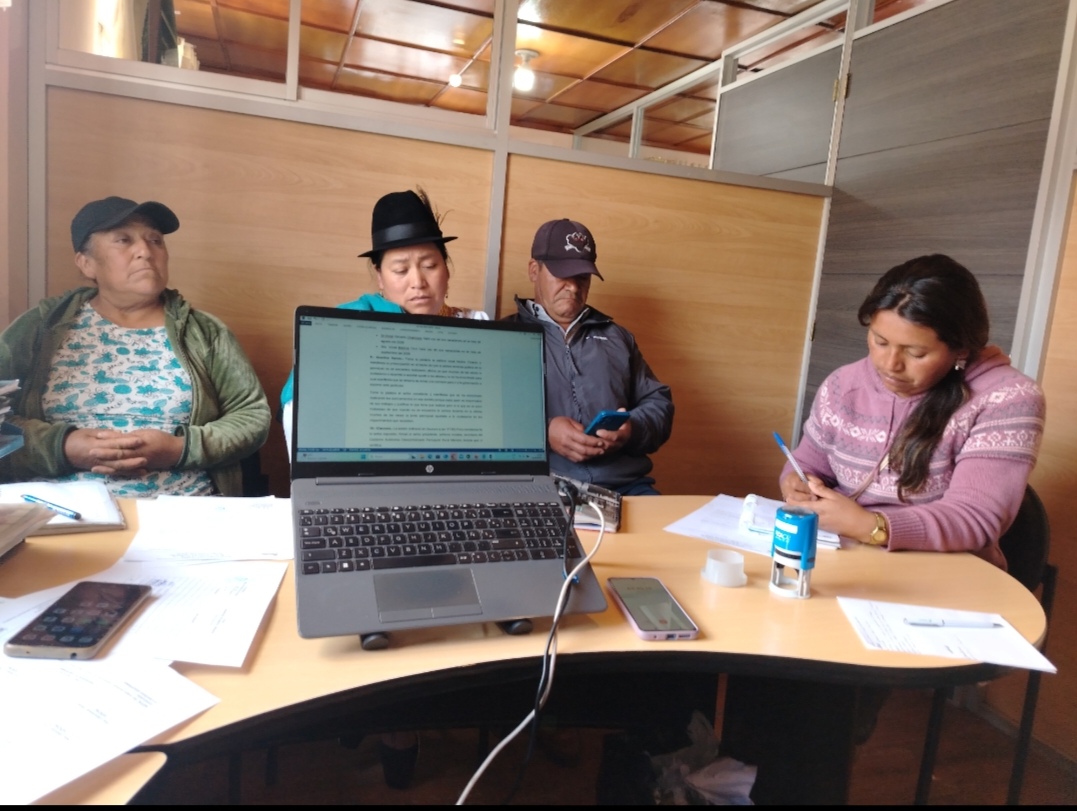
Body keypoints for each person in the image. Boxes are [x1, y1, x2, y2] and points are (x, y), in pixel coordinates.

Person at [781, 254, 1046, 570]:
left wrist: (871, 526)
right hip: (845, 560)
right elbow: (807, 464)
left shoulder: (1006, 398)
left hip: (944, 574)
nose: (889, 364)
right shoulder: (843, 384)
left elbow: (975, 518)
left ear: (960, 349)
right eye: (880, 341)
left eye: (916, 353)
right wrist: (796, 483)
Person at [0, 196, 271, 497]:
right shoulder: (41, 327)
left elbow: (251, 416)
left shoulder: (204, 332)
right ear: (87, 263)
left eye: (155, 240)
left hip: (184, 508)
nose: (145, 251)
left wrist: (180, 449)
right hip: (59, 507)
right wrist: (62, 447)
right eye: (123, 240)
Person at [279, 188, 487, 457]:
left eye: (429, 265)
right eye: (401, 270)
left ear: (446, 268)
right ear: (380, 277)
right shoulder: (343, 328)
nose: (418, 282)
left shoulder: (477, 327)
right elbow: (297, 409)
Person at [506, 218, 673, 495]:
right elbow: (478, 420)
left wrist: (632, 428)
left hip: (626, 488)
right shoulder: (502, 336)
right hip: (542, 489)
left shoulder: (618, 337)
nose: (573, 287)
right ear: (534, 270)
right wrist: (543, 433)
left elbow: (659, 404)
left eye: (582, 277)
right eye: (563, 274)